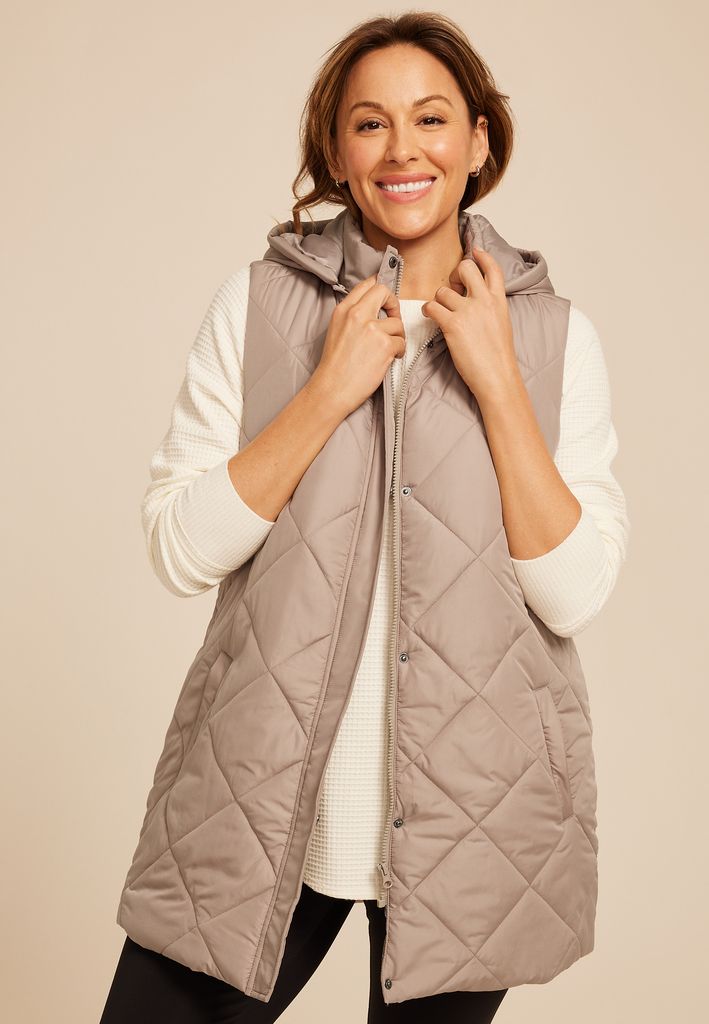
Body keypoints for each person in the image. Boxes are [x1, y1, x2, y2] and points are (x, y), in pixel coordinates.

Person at [100, 11, 629, 1023]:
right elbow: (179, 549)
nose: (402, 151)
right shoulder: (259, 306)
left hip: (475, 818)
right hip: (261, 805)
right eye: (370, 124)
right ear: (337, 152)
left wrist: (499, 384)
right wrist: (324, 393)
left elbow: (572, 593)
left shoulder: (555, 338)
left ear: (477, 141)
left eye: (430, 119)